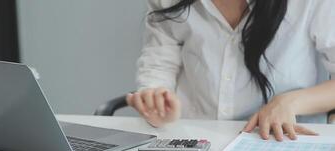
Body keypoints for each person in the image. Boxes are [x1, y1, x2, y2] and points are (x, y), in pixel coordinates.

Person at [126, 0, 335, 141]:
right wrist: (157, 103)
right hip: (192, 141)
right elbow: (158, 66)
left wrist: (289, 102)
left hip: (281, 142)